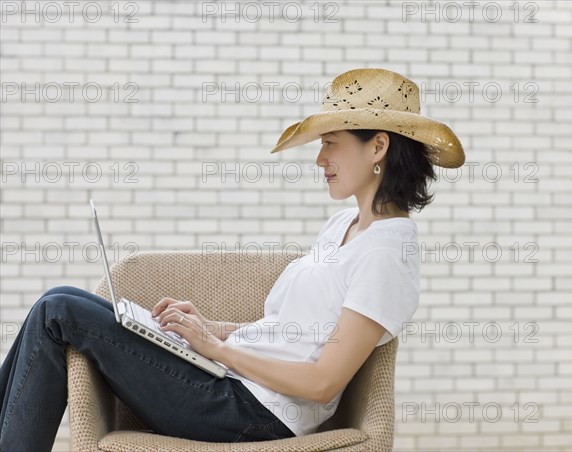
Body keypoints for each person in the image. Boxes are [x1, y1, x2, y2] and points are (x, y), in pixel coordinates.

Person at [0, 68, 465, 451]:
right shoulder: (341, 227)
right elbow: (290, 329)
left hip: (252, 413)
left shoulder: (387, 253)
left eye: (332, 141)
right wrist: (208, 329)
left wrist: (218, 350)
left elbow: (324, 382)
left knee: (57, 312)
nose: (319, 158)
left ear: (378, 146)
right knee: (61, 297)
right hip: (229, 380)